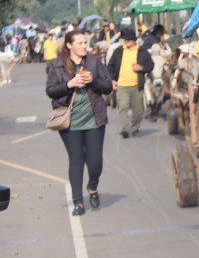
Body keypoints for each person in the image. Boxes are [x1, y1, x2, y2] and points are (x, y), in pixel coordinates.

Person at [45, 30, 113, 215]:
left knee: (95, 161)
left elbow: (107, 87)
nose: (84, 46)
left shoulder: (93, 62)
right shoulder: (57, 65)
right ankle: (78, 202)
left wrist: (93, 80)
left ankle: (92, 186)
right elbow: (50, 90)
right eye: (80, 43)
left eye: (85, 43)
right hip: (70, 121)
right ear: (69, 45)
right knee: (76, 159)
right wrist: (70, 84)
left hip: (94, 119)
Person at [107, 27, 154, 138]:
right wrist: (112, 80)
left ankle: (135, 128)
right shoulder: (118, 51)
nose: (126, 41)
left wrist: (141, 68)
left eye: (129, 39)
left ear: (134, 40)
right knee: (123, 107)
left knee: (138, 110)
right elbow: (110, 67)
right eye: (125, 39)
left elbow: (150, 66)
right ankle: (125, 128)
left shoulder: (142, 51)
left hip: (137, 85)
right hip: (122, 85)